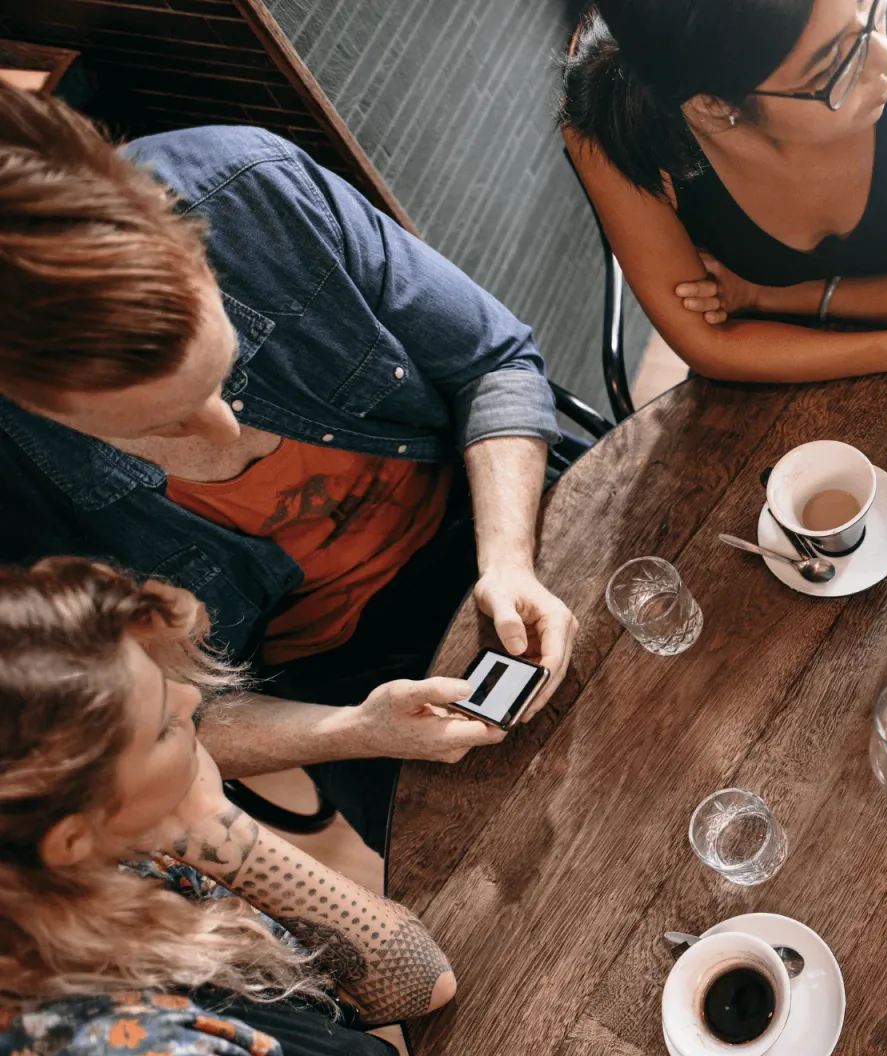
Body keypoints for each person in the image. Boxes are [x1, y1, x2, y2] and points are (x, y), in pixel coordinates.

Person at [0, 85, 577, 856]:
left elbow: (493, 364)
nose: (225, 428)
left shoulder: (251, 190)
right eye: (158, 425)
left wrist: (507, 558)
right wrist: (357, 730)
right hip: (342, 672)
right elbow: (145, 726)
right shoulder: (15, 491)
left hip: (495, 510)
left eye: (222, 370)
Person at [0, 557, 453, 1056]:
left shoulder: (126, 850)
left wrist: (207, 821)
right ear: (71, 837)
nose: (193, 704)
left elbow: (417, 983)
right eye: (165, 726)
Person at [561, 0, 887, 396]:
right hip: (759, 403)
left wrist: (767, 297)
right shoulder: (611, 128)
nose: (885, 56)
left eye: (867, 7)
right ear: (713, 106)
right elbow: (707, 347)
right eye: (830, 68)